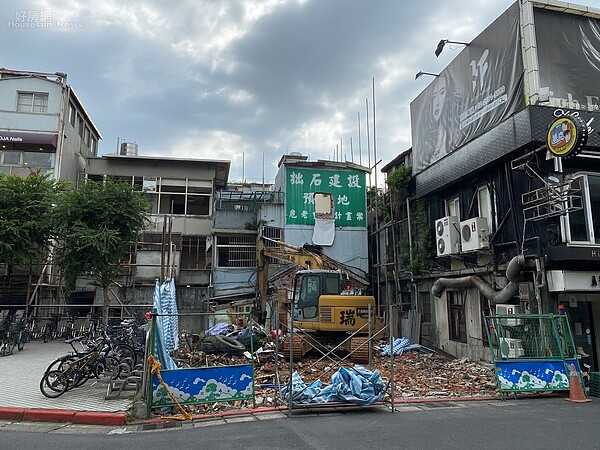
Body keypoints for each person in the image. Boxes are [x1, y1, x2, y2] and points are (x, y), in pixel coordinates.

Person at [414, 74, 461, 171]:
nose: (437, 103)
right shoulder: (425, 135)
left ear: (448, 96)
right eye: (434, 96)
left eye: (442, 93)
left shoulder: (454, 130)